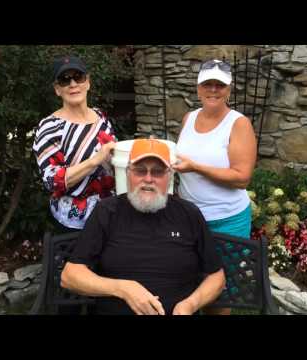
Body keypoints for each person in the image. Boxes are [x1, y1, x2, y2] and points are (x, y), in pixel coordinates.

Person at [61, 139, 225, 315]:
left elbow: (217, 277)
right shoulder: (107, 212)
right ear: (127, 173)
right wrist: (123, 288)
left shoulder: (188, 213)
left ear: (169, 176)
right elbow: (70, 276)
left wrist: (190, 305)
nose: (148, 179)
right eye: (140, 171)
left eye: (157, 172)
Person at [173, 59, 257, 315]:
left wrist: (196, 167)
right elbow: (181, 159)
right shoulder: (189, 118)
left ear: (229, 90)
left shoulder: (238, 123)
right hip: (189, 219)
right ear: (198, 88)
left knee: (219, 294)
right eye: (207, 84)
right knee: (190, 287)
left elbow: (242, 177)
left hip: (226, 221)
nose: (213, 90)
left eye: (219, 85)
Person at [32, 55, 117, 234]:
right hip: (74, 222)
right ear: (57, 89)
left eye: (78, 77)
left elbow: (114, 161)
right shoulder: (49, 127)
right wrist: (95, 161)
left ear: (87, 82)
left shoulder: (101, 117)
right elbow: (51, 181)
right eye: (65, 80)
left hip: (110, 213)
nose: (73, 84)